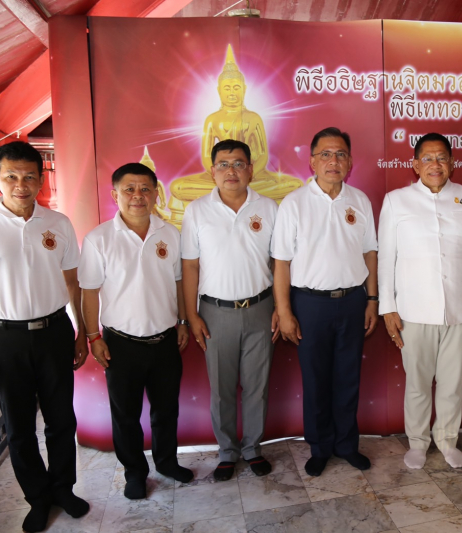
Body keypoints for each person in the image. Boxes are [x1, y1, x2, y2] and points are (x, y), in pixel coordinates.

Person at [0, 141, 89, 532]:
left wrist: (81, 334)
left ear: (41, 179)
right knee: (19, 427)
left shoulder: (57, 224)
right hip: (2, 340)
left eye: (29, 176)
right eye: (11, 176)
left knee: (62, 419)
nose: (20, 184)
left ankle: (64, 489)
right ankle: (37, 498)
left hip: (54, 332)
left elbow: (73, 283)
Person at [378, 132, 462, 469]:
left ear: (452, 163)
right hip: (414, 311)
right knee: (416, 382)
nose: (435, 164)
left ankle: (447, 440)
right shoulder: (396, 201)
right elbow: (387, 258)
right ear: (415, 164)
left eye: (441, 157)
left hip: (460, 309)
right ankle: (417, 442)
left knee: (451, 383)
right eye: (427, 158)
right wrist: (388, 307)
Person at [79, 162, 193, 499]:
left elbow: (178, 282)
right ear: (115, 195)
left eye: (145, 188)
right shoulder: (98, 239)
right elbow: (88, 292)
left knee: (166, 409)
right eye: (129, 189)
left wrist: (183, 322)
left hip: (165, 340)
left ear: (156, 193)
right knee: (125, 415)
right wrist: (93, 337)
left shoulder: (170, 233)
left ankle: (167, 462)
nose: (137, 196)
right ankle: (134, 473)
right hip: (120, 343)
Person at [272, 127, 379, 477]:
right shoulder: (294, 203)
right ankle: (319, 447)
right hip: (310, 304)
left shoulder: (359, 201)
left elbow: (370, 254)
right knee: (316, 380)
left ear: (350, 162)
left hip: (352, 301)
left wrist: (372, 300)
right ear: (312, 161)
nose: (334, 161)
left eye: (341, 155)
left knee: (349, 378)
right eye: (326, 154)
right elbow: (282, 263)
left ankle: (347, 445)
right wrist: (285, 311)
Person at [181, 139, 279, 482]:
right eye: (223, 164)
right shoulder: (196, 210)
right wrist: (190, 316)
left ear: (251, 169)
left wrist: (281, 307)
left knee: (257, 386)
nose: (231, 171)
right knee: (221, 388)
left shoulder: (269, 208)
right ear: (212, 171)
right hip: (214, 313)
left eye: (238, 163)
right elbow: (190, 267)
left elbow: (279, 264)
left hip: (260, 308)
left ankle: (252, 449)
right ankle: (227, 452)